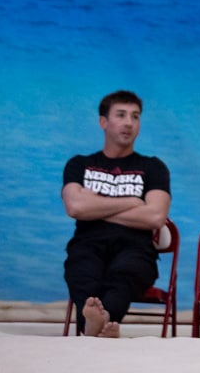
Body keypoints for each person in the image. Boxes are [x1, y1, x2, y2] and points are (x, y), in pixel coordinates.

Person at [61, 90, 171, 337]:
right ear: (103, 122)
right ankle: (101, 324)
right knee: (82, 271)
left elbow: (155, 217)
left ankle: (95, 324)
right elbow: (75, 208)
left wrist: (96, 205)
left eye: (135, 116)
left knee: (124, 274)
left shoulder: (153, 167)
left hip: (136, 247)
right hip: (88, 243)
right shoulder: (79, 164)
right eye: (121, 115)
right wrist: (132, 201)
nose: (129, 123)